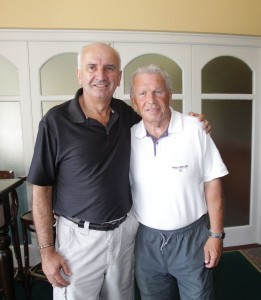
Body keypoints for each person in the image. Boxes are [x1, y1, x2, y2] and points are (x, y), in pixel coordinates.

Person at [27, 43, 210, 300]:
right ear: (79, 73)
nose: (101, 76)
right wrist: (46, 251)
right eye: (92, 67)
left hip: (125, 233)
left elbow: (159, 114)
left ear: (118, 77)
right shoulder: (55, 122)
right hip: (78, 239)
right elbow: (41, 188)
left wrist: (193, 123)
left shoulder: (128, 116)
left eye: (109, 68)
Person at [129, 64, 229, 300]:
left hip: (192, 239)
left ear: (170, 95)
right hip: (147, 241)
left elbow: (213, 184)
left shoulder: (195, 129)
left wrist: (216, 236)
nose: (150, 100)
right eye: (142, 93)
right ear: (134, 102)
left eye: (158, 91)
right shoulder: (128, 136)